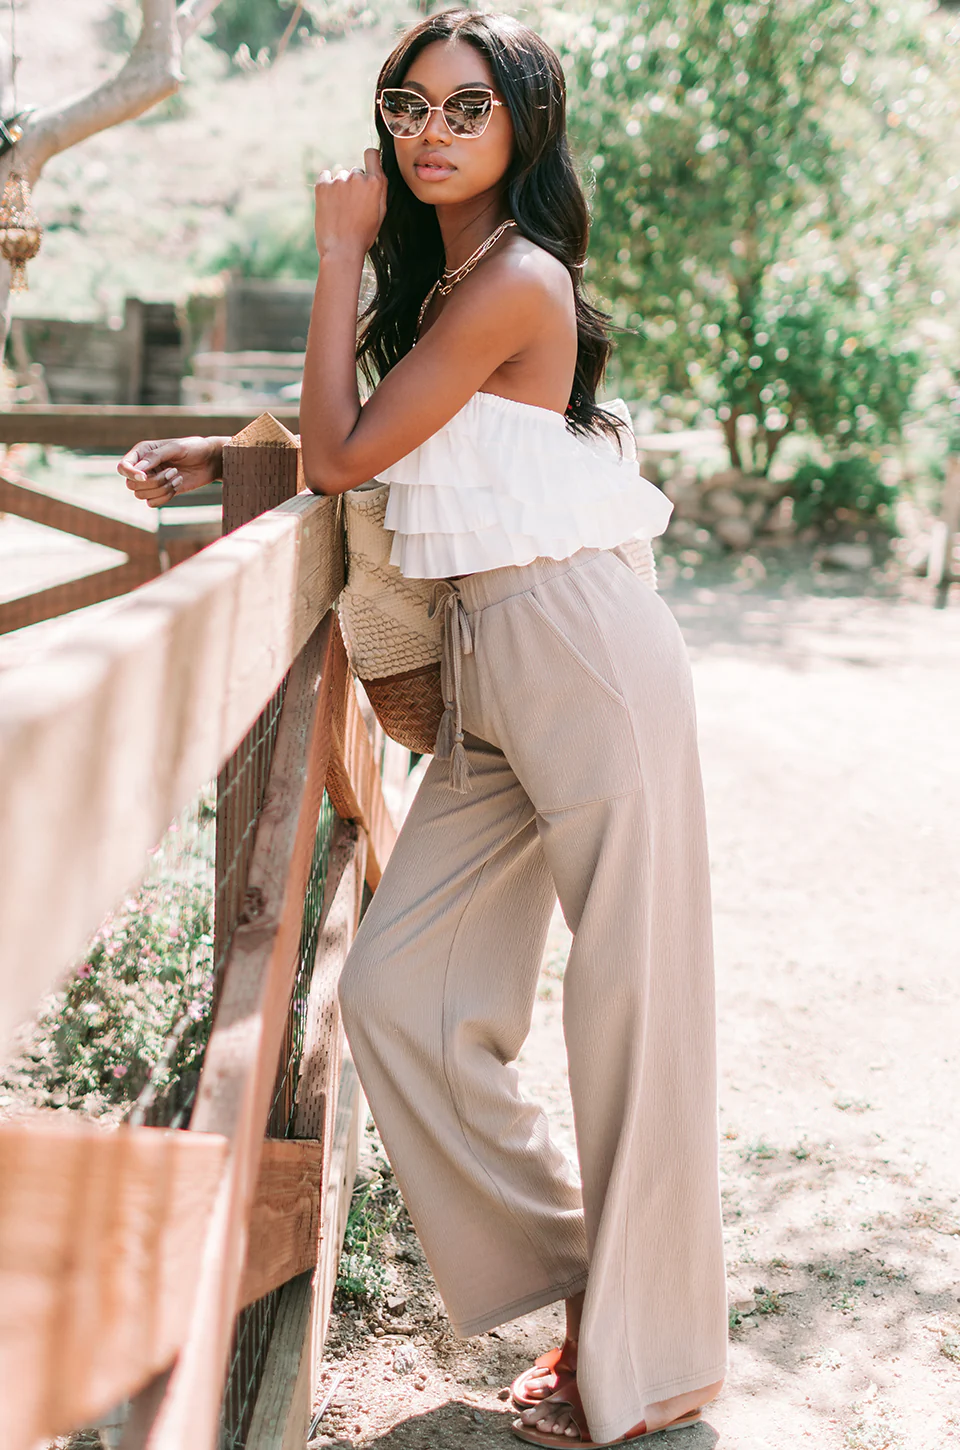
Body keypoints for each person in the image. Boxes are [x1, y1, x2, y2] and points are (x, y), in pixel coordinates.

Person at [119, 10, 727, 1445]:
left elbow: (346, 450)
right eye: (411, 105)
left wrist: (334, 248)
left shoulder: (516, 277)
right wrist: (230, 448)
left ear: (525, 128)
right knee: (400, 992)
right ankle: (602, 1285)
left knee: (632, 1002)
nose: (432, 132)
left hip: (582, 647)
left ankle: (649, 1363)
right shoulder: (456, 280)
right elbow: (385, 439)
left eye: (468, 109)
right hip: (485, 669)